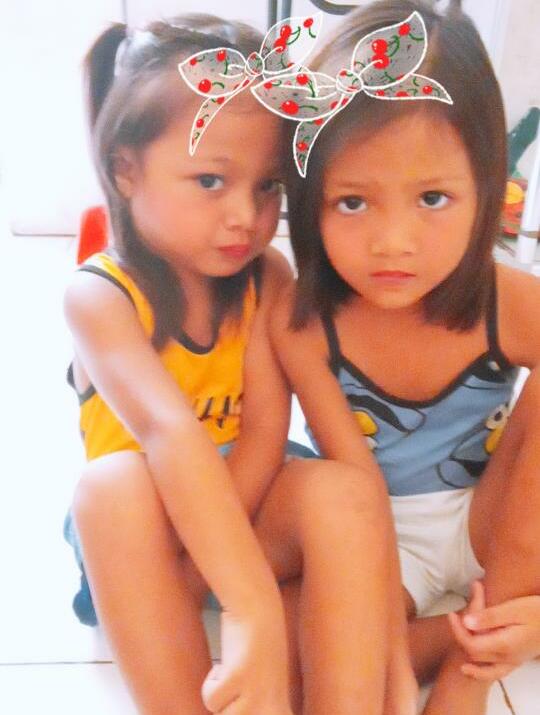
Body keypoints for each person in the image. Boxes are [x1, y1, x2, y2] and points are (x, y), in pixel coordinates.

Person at [63, 13, 409, 715]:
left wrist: (227, 572)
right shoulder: (100, 296)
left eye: (268, 186)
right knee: (111, 486)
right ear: (126, 170)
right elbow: (169, 434)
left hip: (242, 509)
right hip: (147, 542)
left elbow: (263, 433)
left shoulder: (266, 277)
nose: (245, 217)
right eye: (211, 181)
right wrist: (250, 605)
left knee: (342, 491)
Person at [267, 1, 540, 713]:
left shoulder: (509, 300)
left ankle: (472, 666)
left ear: (487, 187)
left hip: (496, 521)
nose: (394, 242)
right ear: (308, 199)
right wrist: (386, 654)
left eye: (433, 198)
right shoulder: (304, 325)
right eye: (353, 203)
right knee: (302, 654)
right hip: (380, 532)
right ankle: (471, 635)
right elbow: (355, 490)